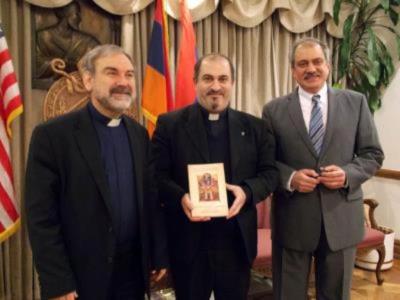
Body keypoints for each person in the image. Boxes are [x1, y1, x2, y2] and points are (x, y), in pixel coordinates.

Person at [25, 44, 167, 300]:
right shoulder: (53, 136)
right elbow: (41, 218)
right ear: (88, 80)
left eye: (129, 74)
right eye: (112, 73)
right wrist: (58, 282)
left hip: (132, 273)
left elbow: (150, 199)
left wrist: (157, 253)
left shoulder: (139, 135)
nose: (123, 82)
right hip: (80, 277)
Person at [262, 37, 384, 300]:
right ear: (293, 70)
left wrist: (347, 175)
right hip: (292, 220)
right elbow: (265, 162)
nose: (311, 68)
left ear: (327, 66)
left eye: (317, 61)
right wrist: (291, 178)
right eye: (302, 63)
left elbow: (372, 154)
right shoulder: (273, 110)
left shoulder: (356, 103)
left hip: (341, 219)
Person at [152, 53, 278, 300]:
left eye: (223, 78)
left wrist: (247, 191)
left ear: (232, 83)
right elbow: (156, 175)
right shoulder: (170, 124)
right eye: (208, 78)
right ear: (195, 81)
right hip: (188, 241)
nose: (216, 86)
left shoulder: (255, 127)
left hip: (236, 242)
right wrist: (181, 198)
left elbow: (270, 174)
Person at [36, 2, 100, 79]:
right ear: (65, 16)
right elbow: (36, 62)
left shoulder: (88, 41)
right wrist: (54, 64)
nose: (80, 18)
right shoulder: (43, 36)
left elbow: (98, 60)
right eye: (76, 14)